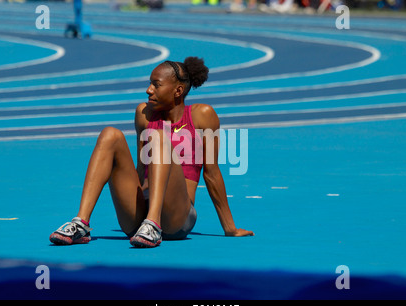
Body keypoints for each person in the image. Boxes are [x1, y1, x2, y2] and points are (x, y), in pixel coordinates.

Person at [49, 57, 254, 248]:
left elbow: (212, 173)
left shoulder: (203, 115)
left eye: (156, 85)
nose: (149, 90)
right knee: (110, 134)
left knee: (158, 137)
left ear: (178, 90)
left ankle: (153, 223)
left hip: (176, 218)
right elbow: (140, 169)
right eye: (150, 83)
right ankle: (80, 223)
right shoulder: (144, 114)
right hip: (138, 218)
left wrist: (230, 228)